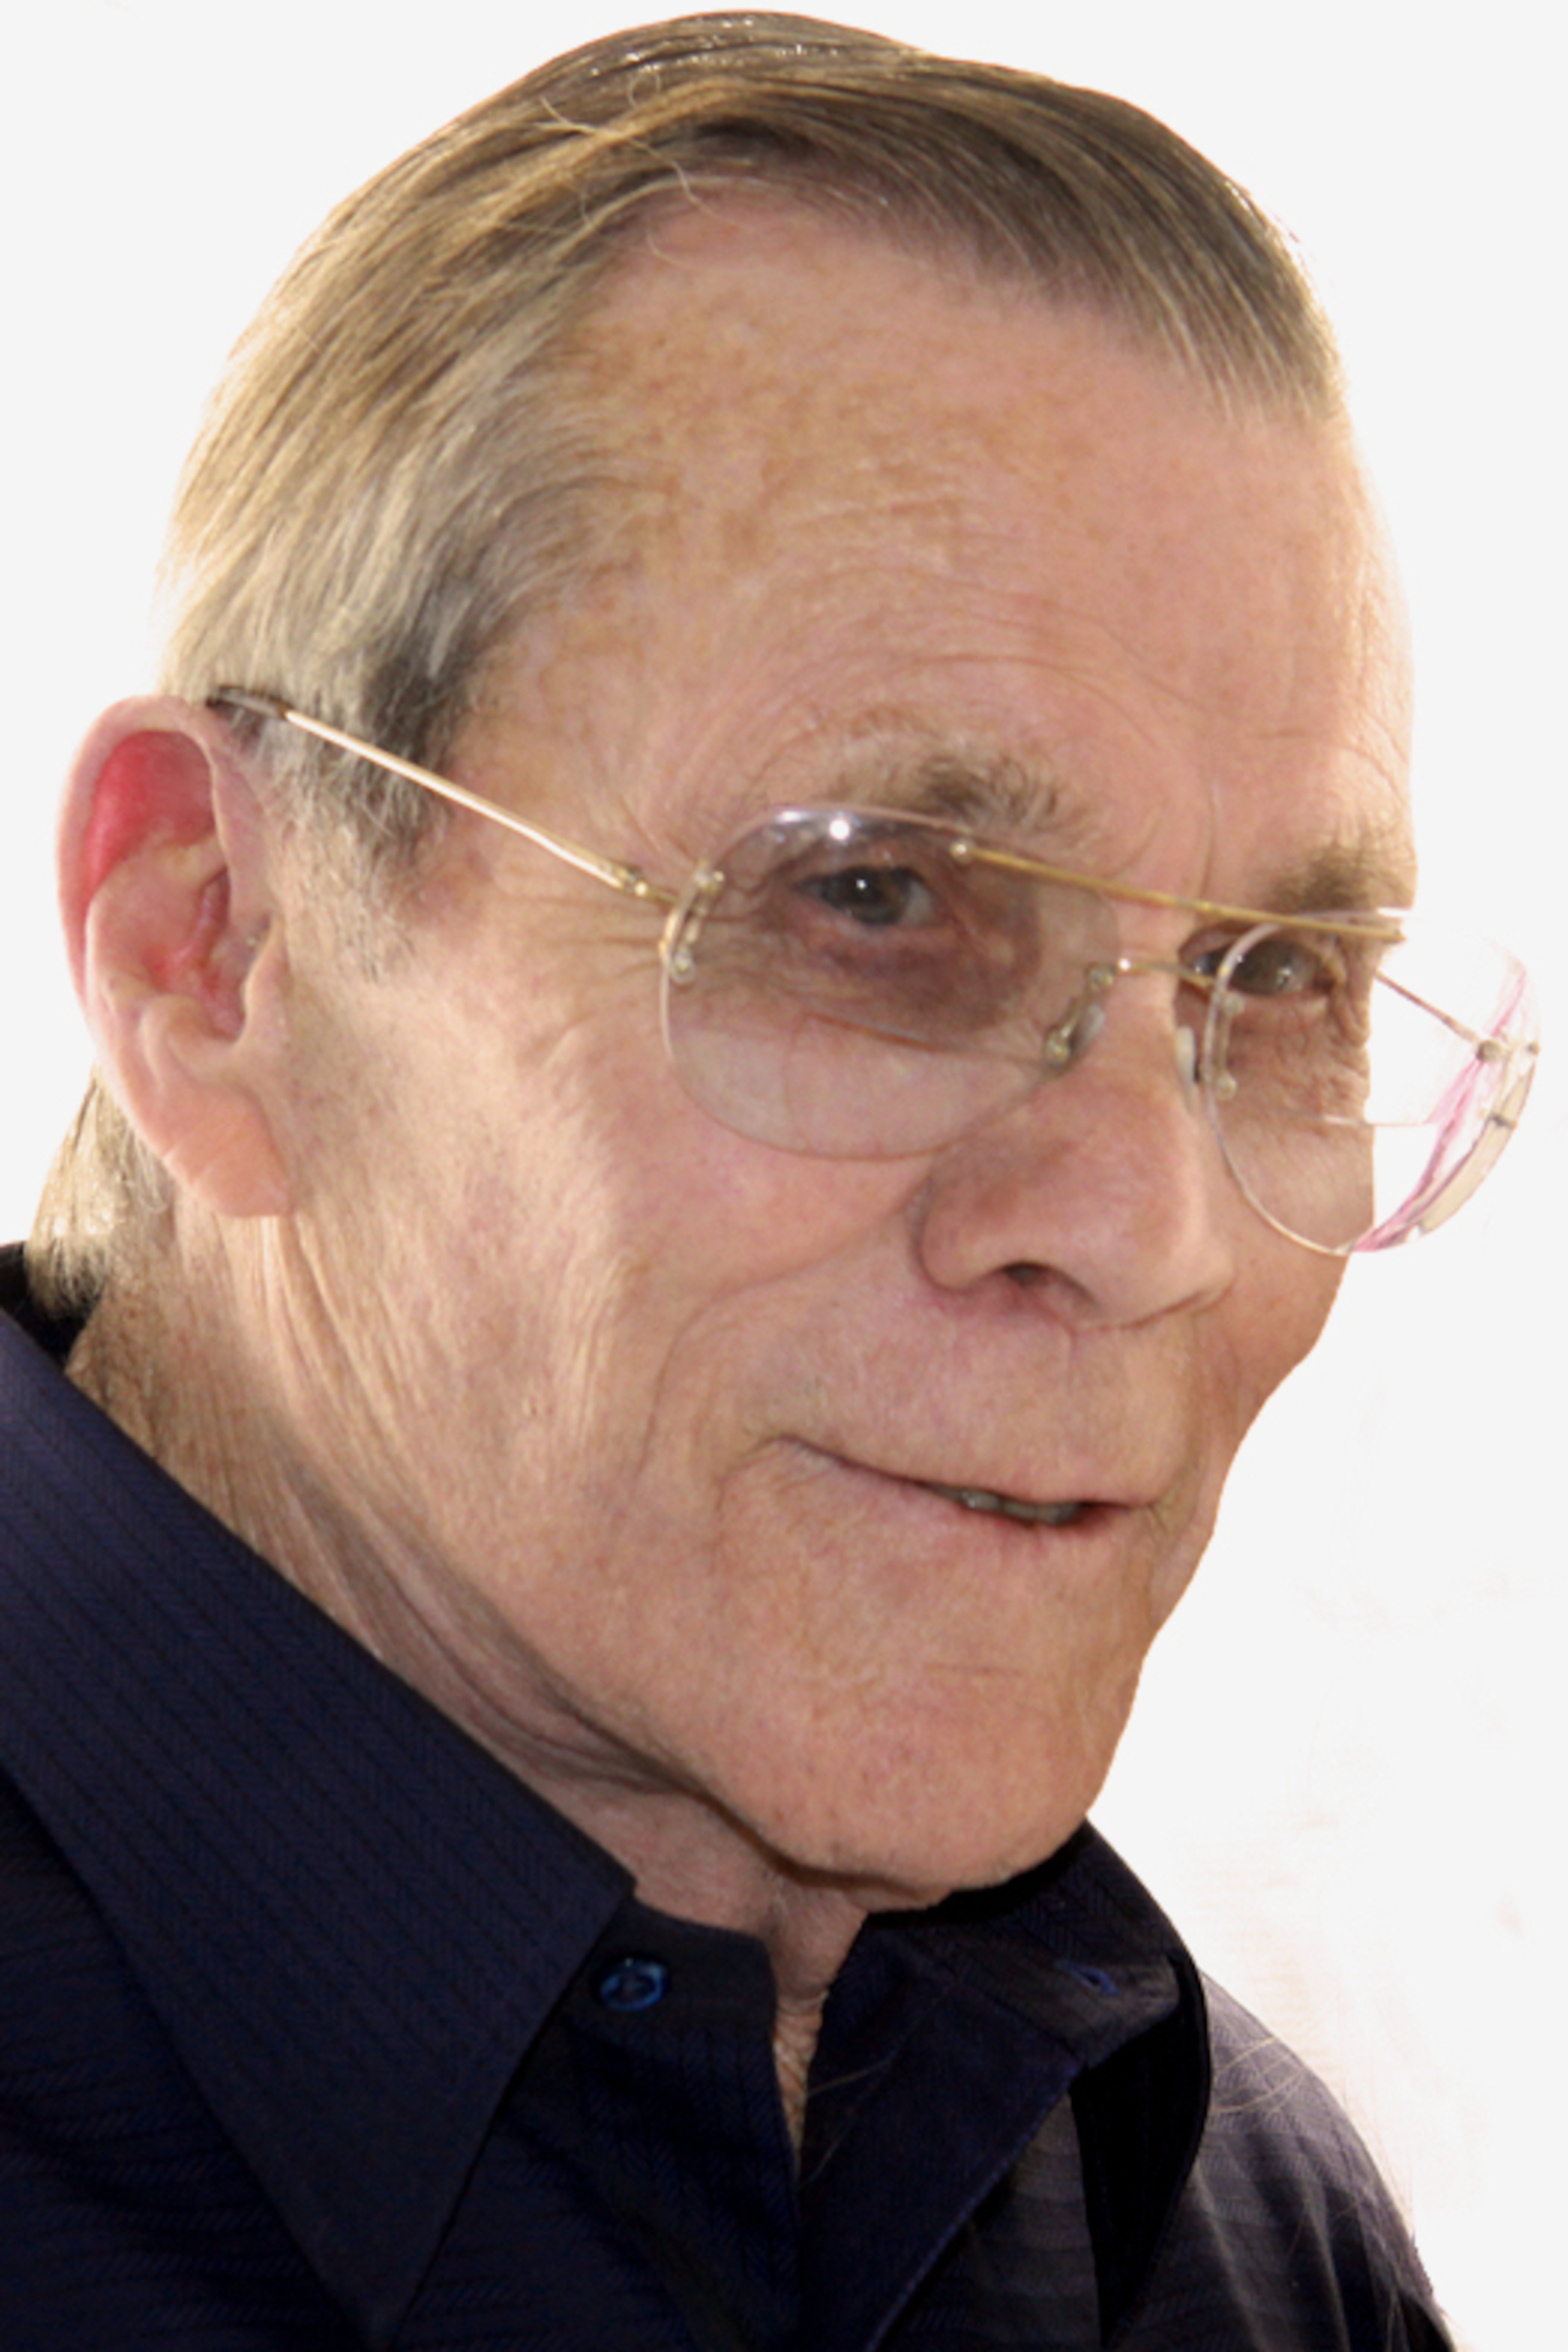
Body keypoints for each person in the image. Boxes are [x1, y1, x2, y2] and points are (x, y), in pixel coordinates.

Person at [0, 13, 1537, 2346]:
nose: (1152, 1228)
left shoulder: (1238, 2245)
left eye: (1284, 980)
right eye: (878, 905)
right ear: (215, 950)